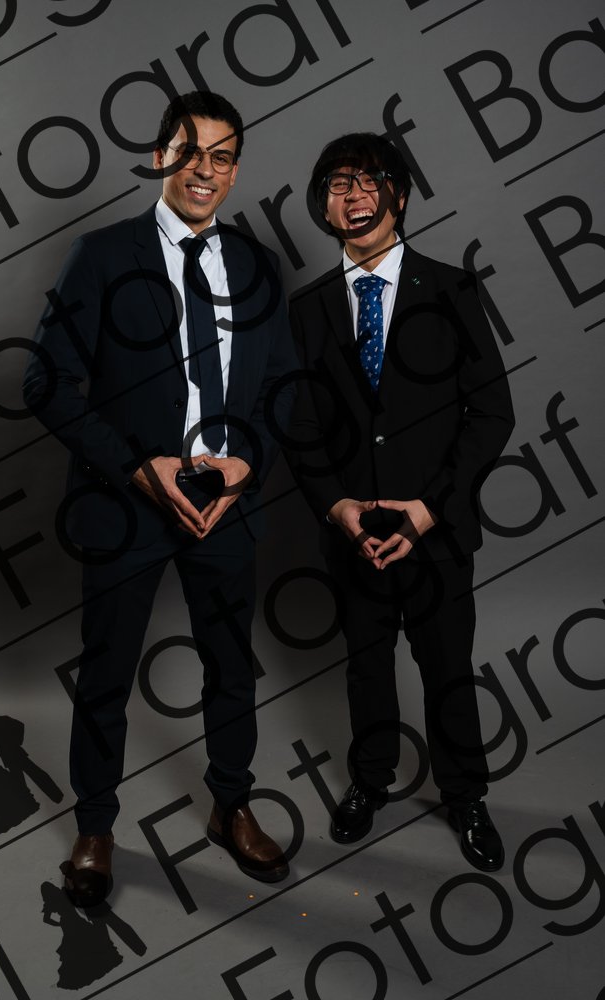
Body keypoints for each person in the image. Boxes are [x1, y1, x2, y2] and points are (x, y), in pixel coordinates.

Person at [23, 91, 297, 905]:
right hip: (127, 500)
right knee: (107, 670)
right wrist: (142, 469)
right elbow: (45, 382)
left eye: (221, 157)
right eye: (189, 150)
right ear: (159, 156)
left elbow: (283, 389)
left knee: (231, 667)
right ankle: (96, 827)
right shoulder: (102, 255)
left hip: (225, 502)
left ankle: (232, 804)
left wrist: (247, 465)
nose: (203, 169)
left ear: (235, 172)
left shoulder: (258, 267)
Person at [285, 132, 514, 871]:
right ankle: (370, 780)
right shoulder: (307, 309)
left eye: (367, 181)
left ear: (400, 196)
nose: (352, 197)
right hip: (352, 530)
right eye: (336, 185)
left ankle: (466, 795)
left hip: (435, 529)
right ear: (324, 207)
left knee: (448, 667)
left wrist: (429, 508)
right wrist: (336, 508)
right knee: (366, 665)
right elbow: (300, 425)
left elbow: (492, 414)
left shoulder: (450, 289)